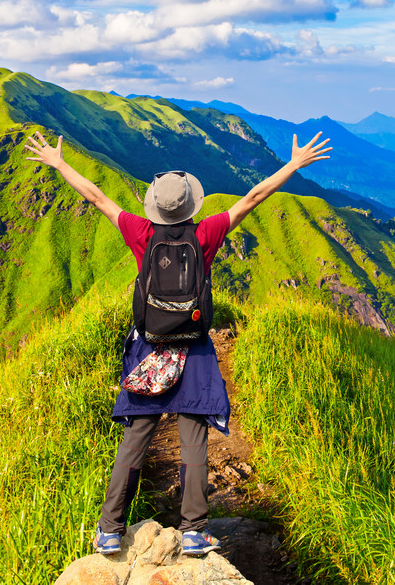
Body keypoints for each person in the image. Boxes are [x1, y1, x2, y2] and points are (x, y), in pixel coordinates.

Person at [22, 128, 332, 557]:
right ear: (190, 206)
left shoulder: (140, 233)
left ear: (155, 207)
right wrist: (293, 165)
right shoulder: (204, 235)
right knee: (193, 440)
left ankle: (111, 529)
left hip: (149, 347)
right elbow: (252, 198)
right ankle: (193, 531)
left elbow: (96, 197)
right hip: (195, 348)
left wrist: (59, 164)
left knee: (136, 437)